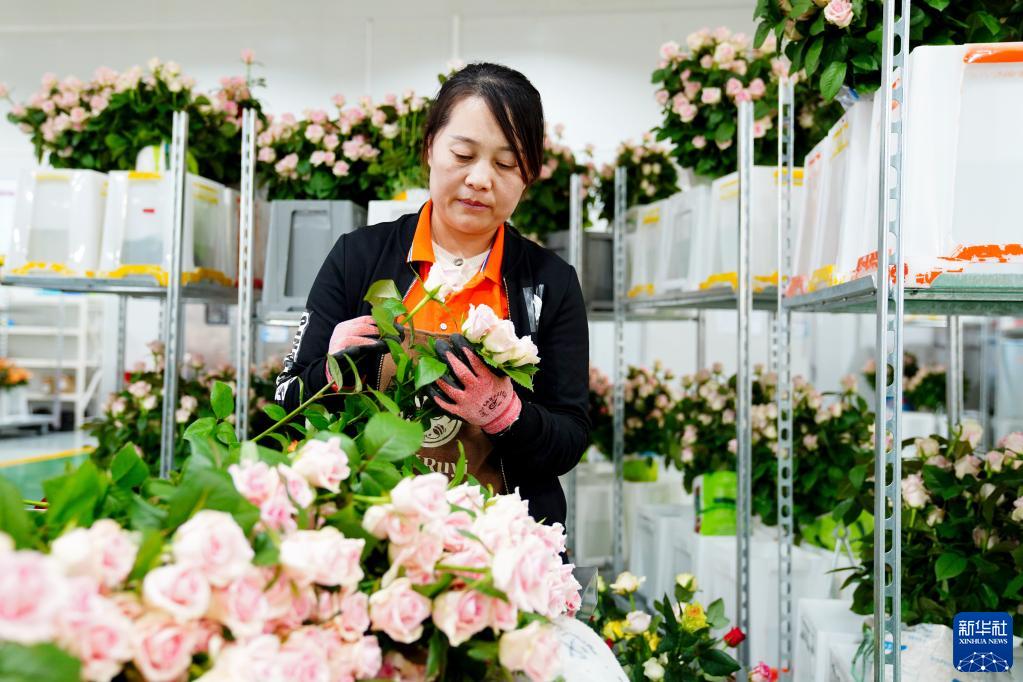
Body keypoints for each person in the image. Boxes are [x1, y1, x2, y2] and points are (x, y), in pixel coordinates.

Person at [274, 62, 589, 528]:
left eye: (505, 164)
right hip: (371, 530)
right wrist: (332, 372)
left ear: (528, 176)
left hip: (501, 544)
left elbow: (569, 437)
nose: (481, 179)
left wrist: (505, 413)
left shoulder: (550, 282)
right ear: (429, 149)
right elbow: (286, 401)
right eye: (463, 155)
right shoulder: (358, 258)